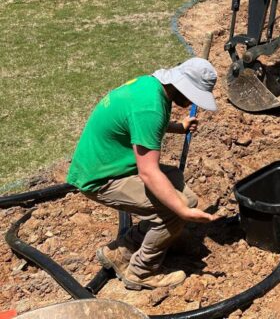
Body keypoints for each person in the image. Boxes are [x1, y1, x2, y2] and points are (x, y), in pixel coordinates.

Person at [66, 57, 218, 290]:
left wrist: (179, 127)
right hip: (102, 177)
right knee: (174, 210)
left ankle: (122, 252)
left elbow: (137, 121)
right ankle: (141, 272)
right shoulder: (150, 108)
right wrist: (183, 212)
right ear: (183, 86)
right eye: (193, 96)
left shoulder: (151, 87)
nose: (190, 103)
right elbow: (148, 172)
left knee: (186, 197)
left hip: (113, 163)